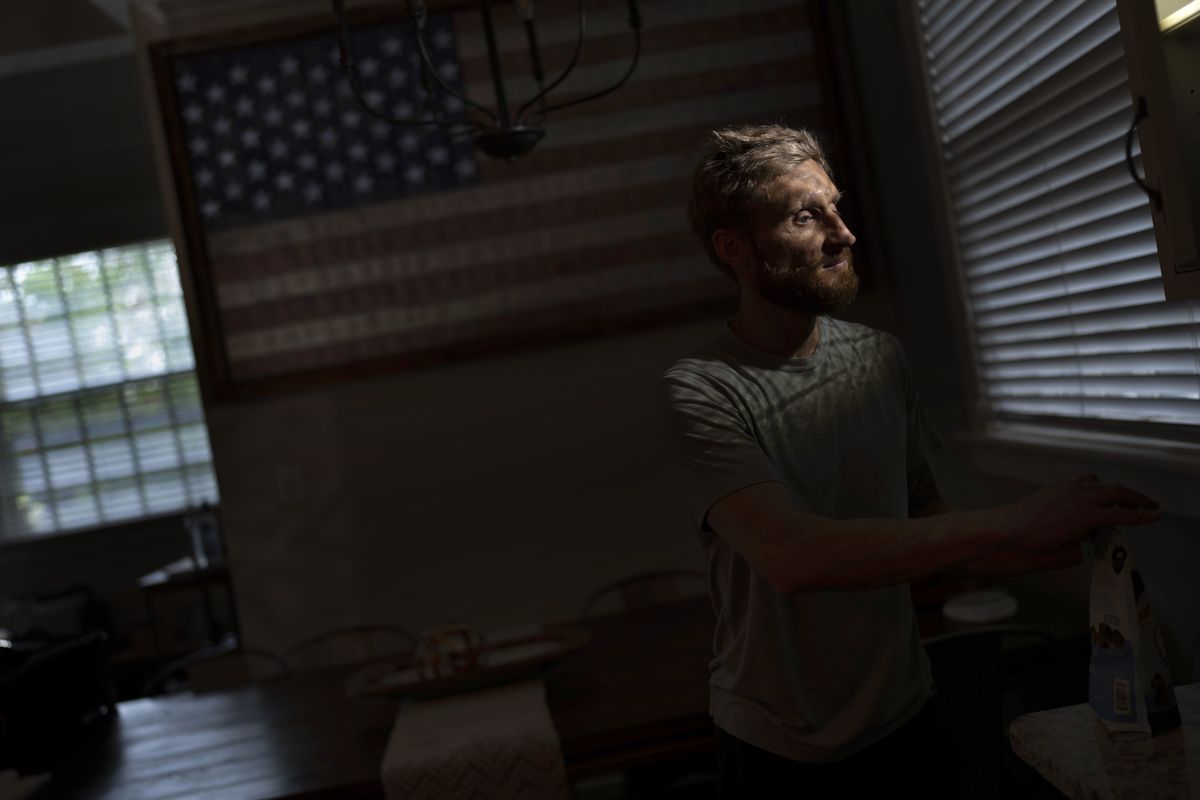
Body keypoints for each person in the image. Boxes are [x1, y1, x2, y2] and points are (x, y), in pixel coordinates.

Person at [659, 123, 1160, 798]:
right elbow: (791, 556)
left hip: (907, 715)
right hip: (780, 741)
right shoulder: (701, 388)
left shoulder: (876, 359)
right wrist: (1013, 521)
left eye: (837, 207)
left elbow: (932, 532)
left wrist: (1077, 537)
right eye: (807, 217)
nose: (844, 234)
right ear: (735, 249)